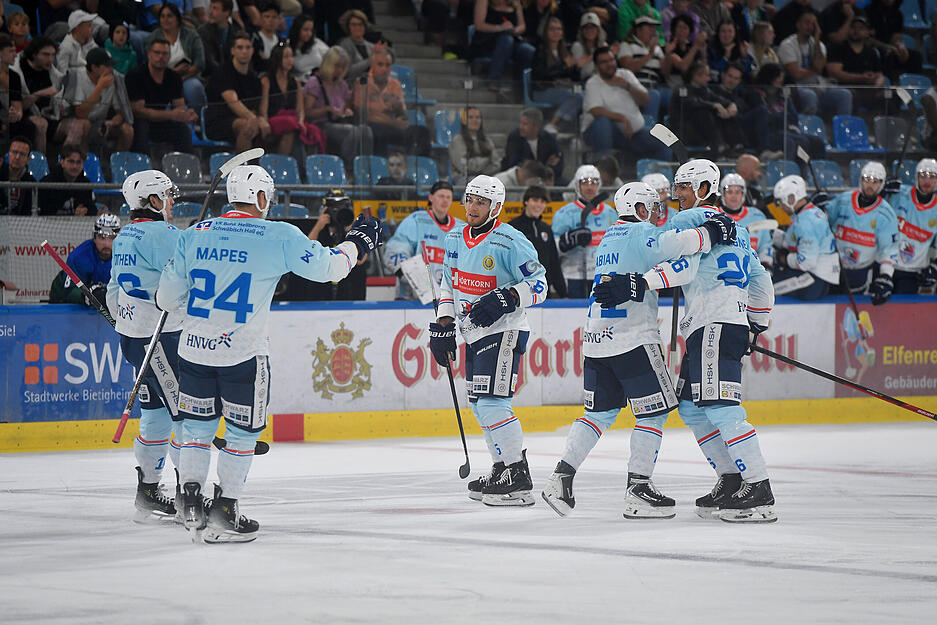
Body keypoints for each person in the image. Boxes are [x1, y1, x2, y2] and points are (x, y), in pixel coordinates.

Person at [156, 166, 382, 542]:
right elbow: (331, 269)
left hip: (193, 350)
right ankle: (225, 510)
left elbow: (165, 298)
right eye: (269, 198)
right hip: (243, 355)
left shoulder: (194, 233)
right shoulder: (278, 234)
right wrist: (358, 242)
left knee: (195, 429)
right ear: (261, 198)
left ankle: (190, 500)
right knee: (242, 434)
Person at [541, 181, 738, 517]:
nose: (657, 215)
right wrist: (713, 228)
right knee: (654, 412)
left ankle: (560, 478)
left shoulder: (608, 237)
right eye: (654, 208)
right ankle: (639, 487)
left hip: (596, 340)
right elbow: (680, 244)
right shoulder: (640, 234)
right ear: (641, 209)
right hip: (632, 340)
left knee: (598, 415)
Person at [632, 158, 778, 522]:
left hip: (713, 324)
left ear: (701, 190)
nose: (676, 195)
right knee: (693, 407)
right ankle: (731, 478)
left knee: (721, 408)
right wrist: (754, 326)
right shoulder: (739, 229)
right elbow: (762, 285)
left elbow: (660, 247)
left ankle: (758, 486)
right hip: (720, 325)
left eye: (682, 188)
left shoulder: (687, 219)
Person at [429, 175, 547, 506]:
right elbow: (448, 284)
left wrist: (510, 296)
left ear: (496, 206)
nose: (473, 207)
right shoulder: (453, 237)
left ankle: (518, 476)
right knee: (480, 405)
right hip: (473, 332)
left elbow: (540, 284)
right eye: (469, 199)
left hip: (505, 329)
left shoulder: (511, 240)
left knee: (494, 403)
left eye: (481, 201)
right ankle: (500, 467)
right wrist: (444, 324)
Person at [105, 170, 184, 523]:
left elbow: (113, 292)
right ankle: (190, 496)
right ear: (151, 200)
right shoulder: (166, 235)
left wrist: (124, 320)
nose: (170, 201)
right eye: (166, 195)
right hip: (162, 340)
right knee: (187, 415)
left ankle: (149, 490)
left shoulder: (123, 235)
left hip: (135, 341)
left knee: (156, 414)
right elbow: (187, 283)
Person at [824, 161, 899, 304]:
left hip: (860, 271)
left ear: (882, 184)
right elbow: (825, 220)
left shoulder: (886, 214)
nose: (870, 185)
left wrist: (886, 276)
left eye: (875, 182)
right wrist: (819, 208)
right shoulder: (843, 200)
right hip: (833, 265)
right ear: (860, 181)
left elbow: (888, 250)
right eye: (867, 180)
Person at [581, 47, 671, 162]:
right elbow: (596, 110)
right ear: (596, 67)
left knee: (664, 143)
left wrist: (628, 86)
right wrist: (622, 118)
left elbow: (646, 100)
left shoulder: (626, 75)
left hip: (634, 133)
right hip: (599, 132)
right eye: (604, 62)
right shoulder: (593, 83)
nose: (609, 64)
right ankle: (604, 165)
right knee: (602, 122)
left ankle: (661, 176)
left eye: (611, 60)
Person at [384, 180, 465, 300]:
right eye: (441, 196)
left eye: (448, 197)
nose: (445, 200)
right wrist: (414, 278)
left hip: (447, 300)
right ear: (431, 197)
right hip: (410, 298)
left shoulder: (460, 228)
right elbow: (395, 251)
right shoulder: (416, 220)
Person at [551, 164, 618, 298]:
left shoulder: (611, 213)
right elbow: (552, 249)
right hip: (573, 275)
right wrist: (566, 242)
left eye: (594, 182)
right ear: (577, 185)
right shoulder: (564, 213)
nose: (589, 187)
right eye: (585, 182)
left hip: (603, 275)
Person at [771, 174, 841, 299]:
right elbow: (793, 241)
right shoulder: (805, 213)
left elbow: (806, 262)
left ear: (791, 198)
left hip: (815, 279)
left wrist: (782, 258)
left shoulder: (806, 222)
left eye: (781, 201)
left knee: (766, 290)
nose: (780, 206)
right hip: (817, 274)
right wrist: (773, 235)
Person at [303, 45, 373, 169]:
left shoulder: (342, 85)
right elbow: (307, 112)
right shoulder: (315, 82)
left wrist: (347, 110)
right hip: (321, 125)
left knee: (366, 130)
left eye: (342, 67)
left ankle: (363, 168)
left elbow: (346, 107)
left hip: (340, 122)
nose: (339, 70)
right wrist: (327, 109)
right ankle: (346, 167)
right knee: (353, 131)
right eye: (337, 66)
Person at [352, 48, 430, 157]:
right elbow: (363, 116)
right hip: (371, 127)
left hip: (392, 126)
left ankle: (412, 168)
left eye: (387, 65)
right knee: (379, 133)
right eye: (380, 65)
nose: (384, 69)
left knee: (422, 132)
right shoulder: (363, 83)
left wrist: (398, 108)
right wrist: (392, 122)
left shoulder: (395, 84)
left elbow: (403, 116)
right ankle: (380, 169)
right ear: (373, 66)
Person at [126, 37, 198, 155]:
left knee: (183, 129)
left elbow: (179, 107)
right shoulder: (136, 75)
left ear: (169, 56)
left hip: (162, 122)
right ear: (149, 54)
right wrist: (171, 115)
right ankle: (142, 168)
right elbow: (138, 111)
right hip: (140, 122)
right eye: (157, 53)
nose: (161, 57)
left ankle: (185, 168)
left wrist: (186, 114)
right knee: (141, 127)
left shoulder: (174, 77)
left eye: (165, 54)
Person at [777, 10, 852, 119]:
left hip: (817, 84)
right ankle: (809, 133)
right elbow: (796, 74)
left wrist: (817, 38)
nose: (810, 27)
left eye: (813, 24)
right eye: (807, 23)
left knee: (845, 94)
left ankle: (844, 130)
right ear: (798, 24)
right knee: (809, 95)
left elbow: (819, 67)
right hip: (796, 86)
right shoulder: (787, 45)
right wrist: (814, 70)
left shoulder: (819, 45)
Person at [58, 47, 134, 153]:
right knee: (84, 124)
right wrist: (99, 88)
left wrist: (115, 120)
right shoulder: (78, 77)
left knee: (127, 130)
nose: (111, 69)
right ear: (94, 67)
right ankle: (83, 164)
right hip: (74, 121)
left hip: (101, 122)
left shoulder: (113, 79)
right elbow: (80, 114)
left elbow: (120, 112)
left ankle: (119, 165)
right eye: (107, 66)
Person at [205, 32, 266, 152]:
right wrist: (254, 119)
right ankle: (241, 169)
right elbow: (233, 102)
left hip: (244, 119)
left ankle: (260, 167)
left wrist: (261, 119)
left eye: (248, 48)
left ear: (252, 50)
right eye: (240, 47)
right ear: (232, 50)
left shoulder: (254, 79)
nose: (244, 51)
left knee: (266, 127)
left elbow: (255, 107)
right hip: (218, 121)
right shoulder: (223, 72)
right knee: (247, 126)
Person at [886, 158, 937, 294]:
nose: (927, 181)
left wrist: (934, 267)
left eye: (932, 177)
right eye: (923, 176)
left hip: (912, 273)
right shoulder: (898, 193)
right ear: (916, 177)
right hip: (884, 266)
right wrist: (882, 190)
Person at [146, 2, 208, 110]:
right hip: (162, 79)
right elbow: (150, 65)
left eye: (169, 16)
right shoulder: (153, 38)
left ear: (177, 18)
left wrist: (180, 78)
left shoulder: (191, 35)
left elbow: (200, 63)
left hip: (188, 77)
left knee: (194, 87)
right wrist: (174, 73)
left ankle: (198, 121)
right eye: (162, 16)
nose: (165, 19)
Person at [509, 184, 567, 298]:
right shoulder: (513, 228)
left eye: (542, 202)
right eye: (535, 200)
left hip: (543, 291)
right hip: (519, 291)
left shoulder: (546, 228)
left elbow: (553, 262)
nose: (539, 205)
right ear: (526, 201)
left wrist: (563, 293)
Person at [49, 212, 119, 306]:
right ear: (94, 237)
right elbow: (69, 291)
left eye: (112, 238)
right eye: (102, 238)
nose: (106, 244)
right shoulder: (79, 257)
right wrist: (87, 296)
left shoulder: (127, 257)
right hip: (76, 311)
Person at [530, 16, 583, 134]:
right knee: (576, 96)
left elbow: (572, 76)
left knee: (581, 94)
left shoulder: (564, 50)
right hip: (542, 90)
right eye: (552, 29)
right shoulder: (540, 51)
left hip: (560, 88)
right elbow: (541, 75)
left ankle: (558, 126)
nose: (556, 32)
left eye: (558, 29)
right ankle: (553, 124)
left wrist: (576, 67)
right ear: (546, 32)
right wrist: (564, 65)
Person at [260, 43, 313, 157]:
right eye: (286, 56)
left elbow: (300, 109)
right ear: (278, 58)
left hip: (291, 121)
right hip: (273, 120)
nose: (290, 60)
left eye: (291, 56)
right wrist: (264, 122)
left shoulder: (295, 82)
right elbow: (263, 109)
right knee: (290, 125)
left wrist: (301, 121)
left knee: (309, 131)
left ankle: (301, 168)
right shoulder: (267, 80)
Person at [824, 15, 884, 113]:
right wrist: (861, 77)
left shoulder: (872, 52)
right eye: (853, 27)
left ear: (867, 32)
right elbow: (834, 72)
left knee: (889, 95)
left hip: (867, 90)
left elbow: (880, 75)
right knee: (850, 95)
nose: (856, 31)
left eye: (861, 28)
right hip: (844, 88)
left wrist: (876, 85)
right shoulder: (838, 48)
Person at [471, 0, 535, 90]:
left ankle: (522, 88)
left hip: (511, 39)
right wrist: (500, 28)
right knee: (506, 40)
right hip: (488, 40)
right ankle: (493, 80)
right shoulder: (484, 1)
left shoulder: (515, 3)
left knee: (528, 50)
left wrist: (514, 30)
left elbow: (522, 26)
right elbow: (479, 25)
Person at [13, 36, 62, 155]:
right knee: (41, 124)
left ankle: (68, 167)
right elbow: (20, 107)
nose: (50, 59)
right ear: (34, 54)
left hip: (49, 115)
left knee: (80, 126)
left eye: (53, 55)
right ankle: (40, 169)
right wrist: (40, 94)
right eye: (45, 55)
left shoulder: (53, 73)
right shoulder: (18, 71)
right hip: (23, 118)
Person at [720, 173, 772, 268]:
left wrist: (766, 266)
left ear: (743, 194)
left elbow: (766, 245)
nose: (734, 196)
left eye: (737, 192)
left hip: (753, 272)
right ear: (722, 193)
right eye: (729, 192)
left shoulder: (758, 216)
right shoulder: (713, 215)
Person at [500, 107, 564, 184]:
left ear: (536, 127)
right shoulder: (514, 137)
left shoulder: (548, 139)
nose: (521, 127)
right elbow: (514, 162)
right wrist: (542, 167)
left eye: (525, 124)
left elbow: (557, 161)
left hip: (544, 178)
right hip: (520, 180)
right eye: (520, 123)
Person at [37, 145, 95, 216]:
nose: (75, 166)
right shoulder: (47, 183)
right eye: (71, 161)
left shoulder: (86, 184)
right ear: (62, 162)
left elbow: (91, 209)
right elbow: (44, 212)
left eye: (78, 162)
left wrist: (96, 213)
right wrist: (73, 214)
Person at [449, 107, 499, 187]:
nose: (475, 120)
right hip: (463, 178)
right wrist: (486, 160)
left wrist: (481, 173)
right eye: (470, 117)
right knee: (476, 184)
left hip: (486, 178)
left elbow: (496, 165)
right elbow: (464, 167)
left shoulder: (487, 141)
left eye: (478, 117)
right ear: (464, 121)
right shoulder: (457, 141)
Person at [339, 9, 391, 82]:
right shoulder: (345, 45)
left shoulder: (371, 46)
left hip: (372, 86)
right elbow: (348, 72)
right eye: (354, 25)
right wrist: (370, 60)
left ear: (365, 26)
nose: (357, 28)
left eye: (360, 24)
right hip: (352, 86)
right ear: (348, 27)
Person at [199, 0, 240, 79]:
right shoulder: (202, 32)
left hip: (234, 75)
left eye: (215, 9)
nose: (210, 12)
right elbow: (209, 61)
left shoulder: (236, 32)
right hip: (211, 77)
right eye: (210, 7)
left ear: (227, 13)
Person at [0, 136, 35, 216]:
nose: (17, 157)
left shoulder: (31, 182)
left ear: (28, 159)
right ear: (8, 154)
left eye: (22, 154)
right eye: (14, 152)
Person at [289, 14, 329, 82]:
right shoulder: (288, 47)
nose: (309, 33)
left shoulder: (317, 42)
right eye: (305, 30)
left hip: (321, 81)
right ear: (297, 29)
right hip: (301, 83)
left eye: (311, 30)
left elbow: (332, 57)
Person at [571, 11, 610, 81]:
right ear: (582, 31)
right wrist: (597, 54)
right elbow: (583, 72)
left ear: (598, 30)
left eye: (593, 28)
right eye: (586, 28)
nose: (589, 31)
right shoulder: (577, 46)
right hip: (583, 82)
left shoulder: (604, 45)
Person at [251, 2, 282, 73]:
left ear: (279, 20)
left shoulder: (280, 41)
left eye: (274, 17)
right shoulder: (255, 39)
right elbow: (257, 63)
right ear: (261, 18)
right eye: (267, 16)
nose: (270, 20)